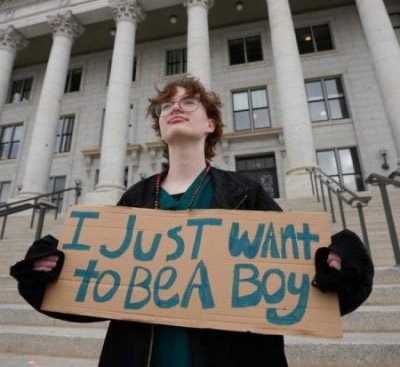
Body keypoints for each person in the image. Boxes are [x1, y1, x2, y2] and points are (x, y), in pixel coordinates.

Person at [10, 76, 374, 367]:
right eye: (166, 106)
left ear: (210, 123)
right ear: (160, 127)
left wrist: (334, 266)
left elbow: (295, 280)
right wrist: (53, 273)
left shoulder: (245, 192)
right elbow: (101, 291)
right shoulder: (135, 197)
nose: (175, 108)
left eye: (188, 103)